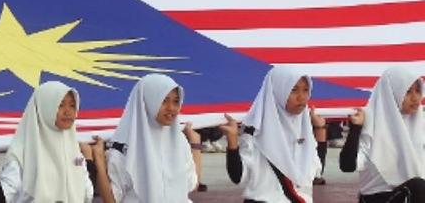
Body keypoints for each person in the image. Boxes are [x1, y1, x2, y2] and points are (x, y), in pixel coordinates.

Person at [221, 66, 327, 202]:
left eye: (306, 90)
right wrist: (232, 142)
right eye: (293, 90)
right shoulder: (255, 131)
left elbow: (316, 170)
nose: (302, 97)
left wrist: (320, 129)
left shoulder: (304, 125)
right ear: (277, 91)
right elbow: (238, 176)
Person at [93, 74, 199, 202]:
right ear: (146, 101)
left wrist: (195, 145)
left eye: (176, 101)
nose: (171, 108)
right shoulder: (125, 146)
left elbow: (191, 184)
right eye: (163, 100)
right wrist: (99, 161)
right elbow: (112, 199)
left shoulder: (179, 141)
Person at [339, 67, 425, 202]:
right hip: (376, 198)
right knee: (418, 187)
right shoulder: (371, 121)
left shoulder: (420, 123)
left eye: (418, 91)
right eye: (408, 91)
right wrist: (355, 129)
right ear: (391, 93)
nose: (415, 97)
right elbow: (347, 166)